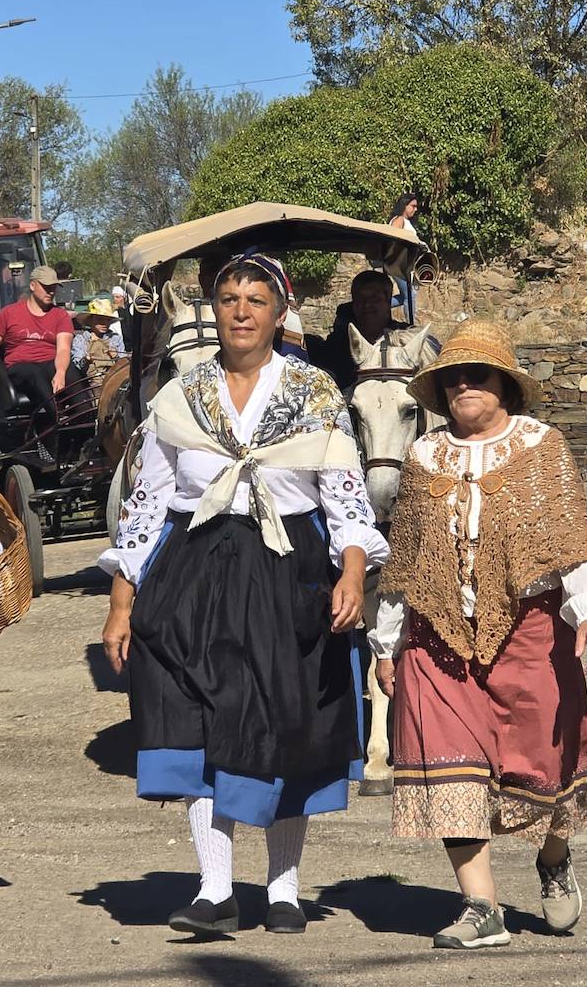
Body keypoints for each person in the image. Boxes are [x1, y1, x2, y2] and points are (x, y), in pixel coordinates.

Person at [98, 253, 389, 937]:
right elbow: (148, 504)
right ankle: (215, 887)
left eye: (256, 299)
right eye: (229, 297)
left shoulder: (315, 394)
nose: (240, 310)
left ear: (281, 313)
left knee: (287, 724)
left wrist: (351, 572)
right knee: (195, 719)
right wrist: (121, 599)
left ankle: (283, 889)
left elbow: (345, 498)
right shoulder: (181, 397)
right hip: (194, 573)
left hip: (289, 570)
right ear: (214, 309)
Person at [371, 320, 587, 950]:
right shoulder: (424, 455)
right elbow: (407, 556)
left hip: (532, 629)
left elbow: (573, 539)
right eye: (452, 379)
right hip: (436, 636)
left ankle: (553, 857)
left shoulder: (542, 449)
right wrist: (388, 640)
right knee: (445, 764)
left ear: (503, 383)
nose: (463, 387)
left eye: (476, 376)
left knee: (548, 763)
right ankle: (480, 906)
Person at [311, 269, 440, 391]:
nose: (367, 304)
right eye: (360, 299)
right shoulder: (337, 346)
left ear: (388, 301)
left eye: (374, 298)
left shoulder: (406, 339)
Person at [0, 265, 74, 419]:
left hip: (50, 363)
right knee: (33, 372)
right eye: (46, 286)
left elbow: (64, 349)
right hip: (20, 367)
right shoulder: (9, 313)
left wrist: (61, 372)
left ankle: (88, 422)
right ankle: (57, 418)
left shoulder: (60, 315)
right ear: (32, 285)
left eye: (53, 287)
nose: (51, 291)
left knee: (73, 373)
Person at [72, 296, 126, 380]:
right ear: (90, 320)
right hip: (89, 382)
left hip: (114, 381)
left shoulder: (115, 338)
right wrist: (86, 360)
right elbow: (77, 365)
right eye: (100, 319)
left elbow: (124, 364)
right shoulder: (81, 339)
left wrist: (116, 357)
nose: (104, 323)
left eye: (107, 320)